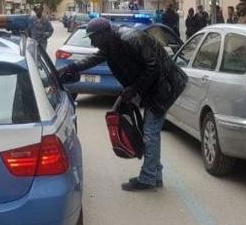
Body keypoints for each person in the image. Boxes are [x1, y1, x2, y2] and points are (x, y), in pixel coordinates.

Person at [59, 18, 187, 191]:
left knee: (150, 132)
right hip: (154, 87)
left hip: (166, 85)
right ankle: (154, 175)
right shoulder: (110, 44)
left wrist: (134, 89)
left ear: (103, 34)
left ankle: (149, 178)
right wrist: (72, 67)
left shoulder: (132, 38)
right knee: (151, 132)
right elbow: (95, 58)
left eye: (92, 37)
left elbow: (153, 66)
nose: (91, 41)